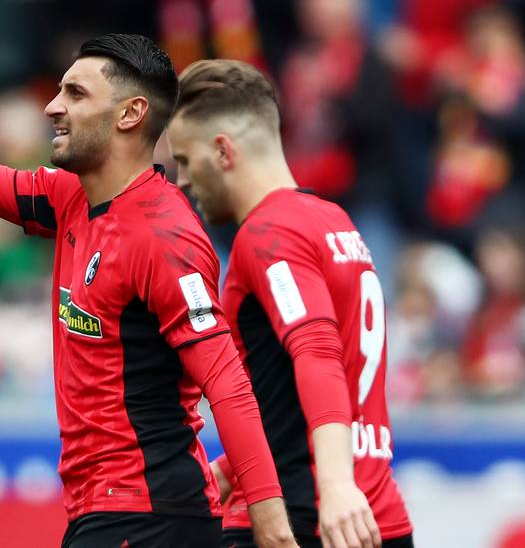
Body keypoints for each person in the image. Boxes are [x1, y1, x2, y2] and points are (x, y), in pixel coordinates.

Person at [0, 0, 296, 548]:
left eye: (76, 95)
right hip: (108, 514)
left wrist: (270, 523)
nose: (52, 107)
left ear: (131, 114)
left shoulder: (165, 236)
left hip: (149, 515)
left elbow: (228, 383)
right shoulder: (68, 198)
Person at [165, 59, 414, 548]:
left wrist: (336, 485)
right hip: (378, 517)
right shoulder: (333, 221)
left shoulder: (269, 234)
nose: (182, 183)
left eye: (186, 161)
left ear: (223, 151)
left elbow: (317, 353)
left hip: (306, 517)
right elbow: (290, 392)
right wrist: (230, 470)